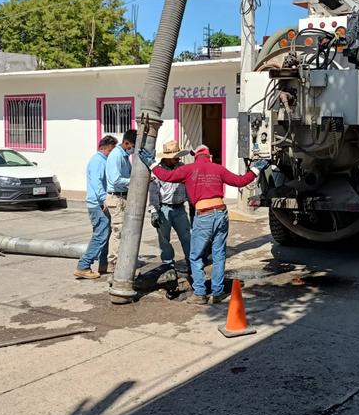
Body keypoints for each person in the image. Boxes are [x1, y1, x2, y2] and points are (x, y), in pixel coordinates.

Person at [141, 145, 269, 305]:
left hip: (204, 215)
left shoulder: (188, 169)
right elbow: (240, 181)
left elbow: (166, 176)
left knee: (195, 256)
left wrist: (151, 163)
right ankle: (217, 292)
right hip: (221, 213)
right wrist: (256, 169)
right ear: (209, 156)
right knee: (219, 255)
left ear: (196, 156)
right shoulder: (218, 168)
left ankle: (200, 293)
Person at [147, 140, 192, 285]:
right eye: (175, 157)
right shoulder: (158, 171)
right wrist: (154, 211)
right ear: (167, 157)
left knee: (186, 237)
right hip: (164, 208)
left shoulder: (182, 168)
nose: (178, 159)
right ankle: (168, 264)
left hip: (179, 208)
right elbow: (153, 192)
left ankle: (192, 262)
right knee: (164, 239)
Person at [74, 135, 118, 279]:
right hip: (98, 205)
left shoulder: (104, 160)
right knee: (101, 235)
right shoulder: (97, 161)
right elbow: (96, 182)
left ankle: (103, 264)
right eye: (110, 151)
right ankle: (83, 266)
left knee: (105, 234)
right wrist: (103, 199)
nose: (111, 154)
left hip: (100, 203)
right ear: (102, 148)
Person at [105, 129, 137, 271]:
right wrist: (135, 180)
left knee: (125, 230)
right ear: (126, 143)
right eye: (133, 146)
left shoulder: (124, 156)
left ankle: (121, 259)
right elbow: (115, 179)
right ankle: (114, 262)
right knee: (118, 230)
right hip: (116, 197)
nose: (133, 149)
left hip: (123, 196)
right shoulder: (116, 156)